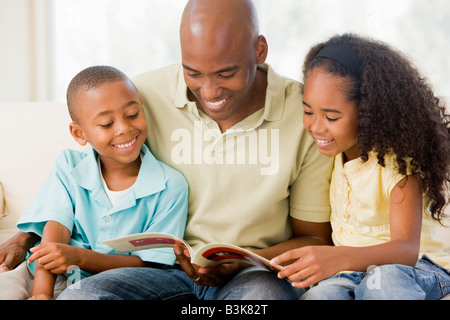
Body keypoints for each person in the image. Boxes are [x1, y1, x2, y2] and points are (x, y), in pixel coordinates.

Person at [54, 0, 334, 300]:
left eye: (226, 73)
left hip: (252, 274)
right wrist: (30, 236)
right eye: (193, 72)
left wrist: (240, 261)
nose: (210, 92)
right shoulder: (139, 100)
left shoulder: (305, 115)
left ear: (259, 50)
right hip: (157, 269)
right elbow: (81, 178)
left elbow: (313, 238)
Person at [270, 33, 450, 300]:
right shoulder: (330, 156)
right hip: (348, 273)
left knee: (383, 281)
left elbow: (405, 250)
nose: (316, 127)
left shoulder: (398, 165)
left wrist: (337, 257)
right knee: (320, 296)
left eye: (331, 116)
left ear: (368, 111)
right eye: (308, 111)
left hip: (415, 268)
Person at [6, 66, 189, 299]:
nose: (124, 128)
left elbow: (151, 265)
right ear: (79, 134)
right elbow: (56, 231)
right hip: (54, 276)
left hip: (122, 284)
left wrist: (82, 258)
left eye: (132, 114)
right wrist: (42, 293)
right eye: (106, 124)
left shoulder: (171, 186)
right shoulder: (68, 166)